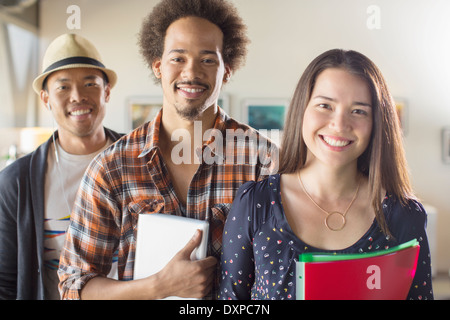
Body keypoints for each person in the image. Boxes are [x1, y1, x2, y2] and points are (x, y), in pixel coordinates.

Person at [58, 0, 278, 300]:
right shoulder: (111, 168)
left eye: (207, 60)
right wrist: (159, 287)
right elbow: (74, 287)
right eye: (178, 58)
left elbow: (281, 275)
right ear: (158, 66)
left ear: (226, 71)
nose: (191, 72)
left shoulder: (262, 162)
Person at [219, 49, 433, 300]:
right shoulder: (256, 203)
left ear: (377, 122)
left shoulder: (404, 215)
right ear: (302, 109)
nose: (339, 124)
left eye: (359, 111)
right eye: (325, 105)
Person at [0, 33, 123, 300]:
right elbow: (7, 283)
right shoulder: (15, 182)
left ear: (107, 92)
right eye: (63, 87)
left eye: (90, 84)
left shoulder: (143, 159)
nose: (78, 96)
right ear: (46, 99)